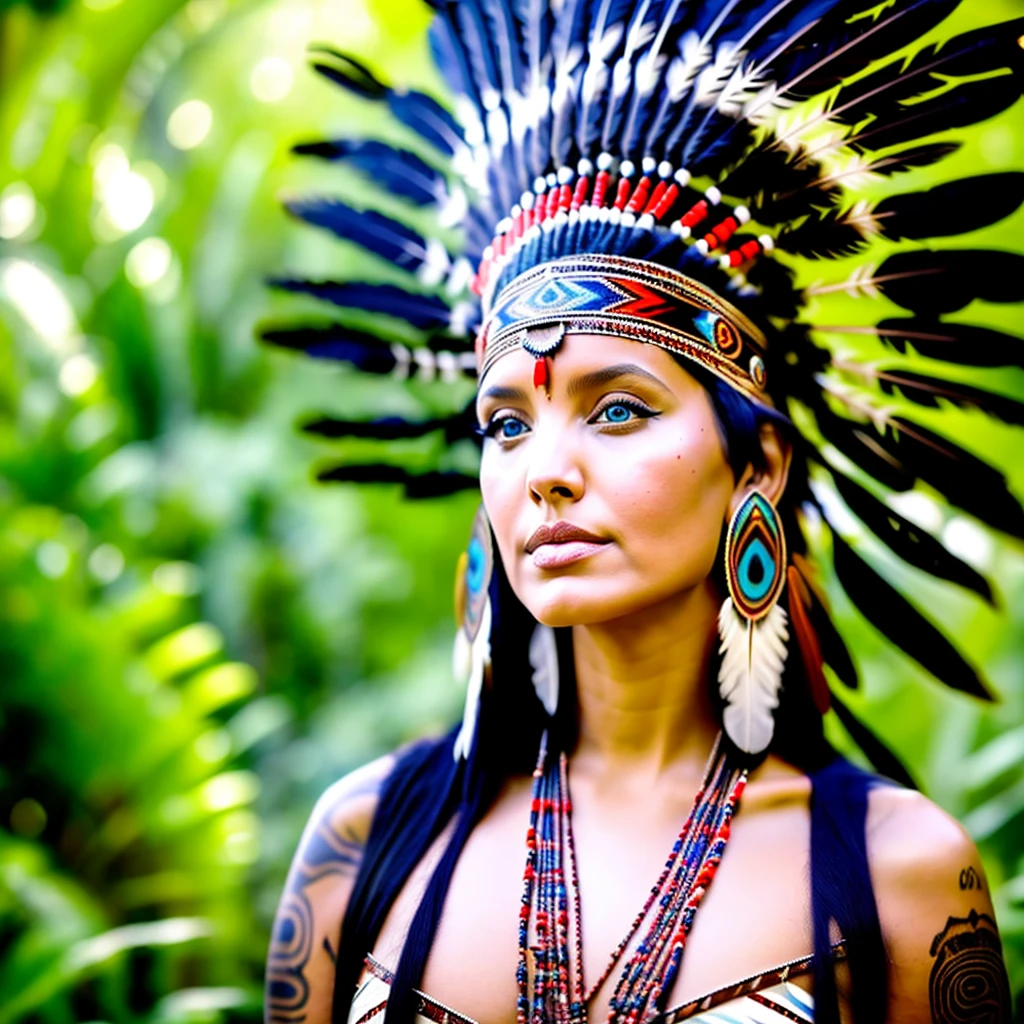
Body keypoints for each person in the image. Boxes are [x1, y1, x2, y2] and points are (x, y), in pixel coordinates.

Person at [263, 2, 1022, 1022]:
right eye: (505, 424)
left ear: (756, 460)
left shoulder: (900, 879)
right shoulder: (358, 847)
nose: (546, 471)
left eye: (616, 409)